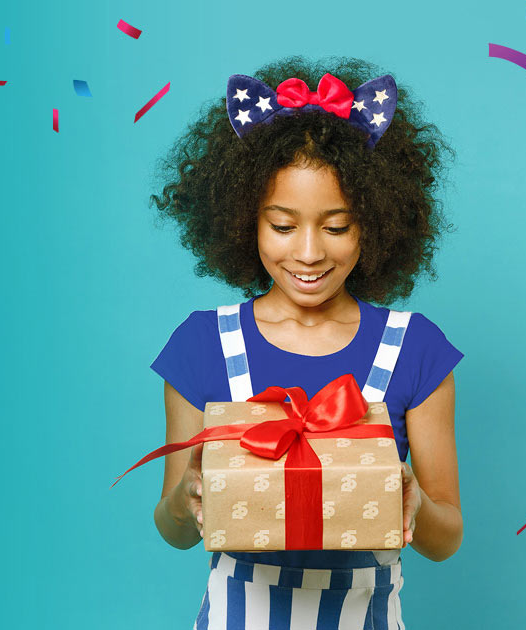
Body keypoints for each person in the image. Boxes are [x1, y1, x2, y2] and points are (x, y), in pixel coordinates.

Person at [147, 56, 463, 630]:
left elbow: (446, 538)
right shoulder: (202, 344)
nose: (311, 253)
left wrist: (412, 503)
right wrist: (188, 494)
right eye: (284, 226)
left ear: (377, 221)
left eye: (337, 227)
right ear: (246, 220)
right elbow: (171, 531)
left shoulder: (414, 348)